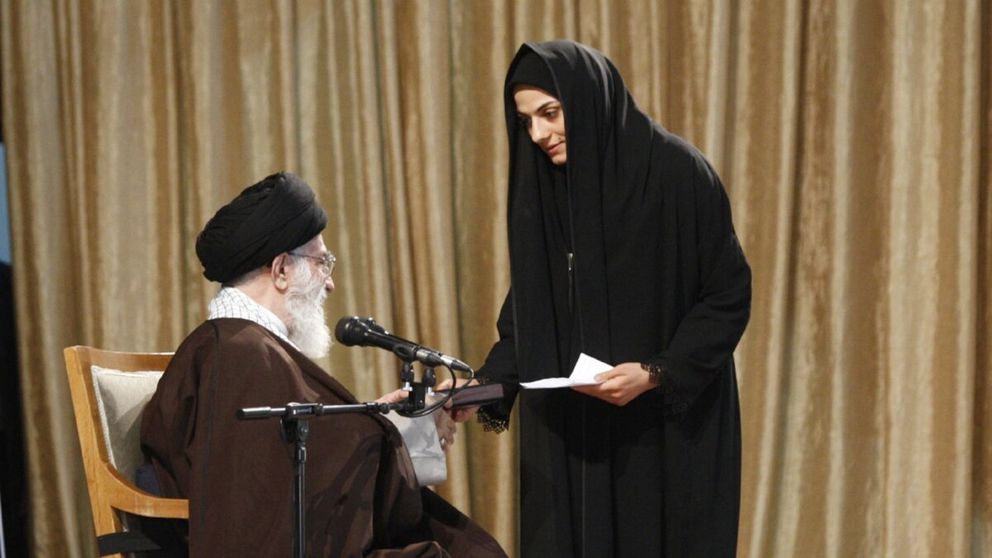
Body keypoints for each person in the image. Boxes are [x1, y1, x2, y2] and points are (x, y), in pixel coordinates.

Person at [454, 41, 752, 557]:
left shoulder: (677, 173)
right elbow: (531, 306)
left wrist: (657, 372)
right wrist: (478, 388)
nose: (539, 134)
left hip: (664, 431)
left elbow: (727, 293)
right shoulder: (550, 184)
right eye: (526, 121)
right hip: (576, 437)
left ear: (591, 99)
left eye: (550, 113)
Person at [140, 172, 506, 557]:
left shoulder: (248, 346)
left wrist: (384, 421)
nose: (329, 284)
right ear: (281, 270)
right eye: (322, 262)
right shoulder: (238, 354)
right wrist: (389, 438)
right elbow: (260, 505)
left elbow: (301, 457)